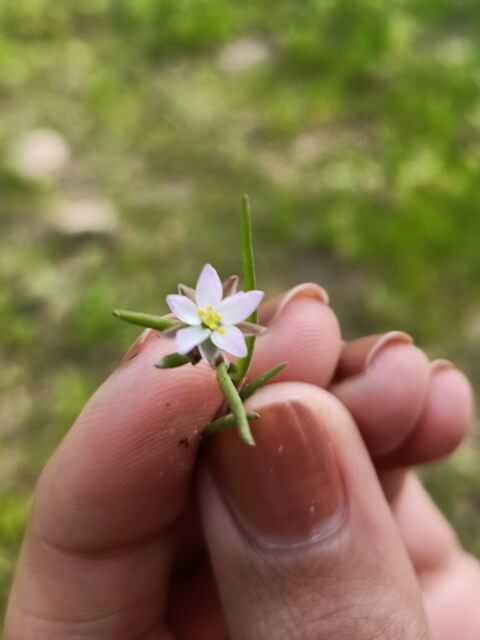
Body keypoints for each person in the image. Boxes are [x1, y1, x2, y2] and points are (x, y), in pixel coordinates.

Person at [4, 284, 477, 639]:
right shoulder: (213, 329)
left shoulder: (222, 325)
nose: (210, 317)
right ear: (198, 313)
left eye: (213, 315)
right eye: (207, 314)